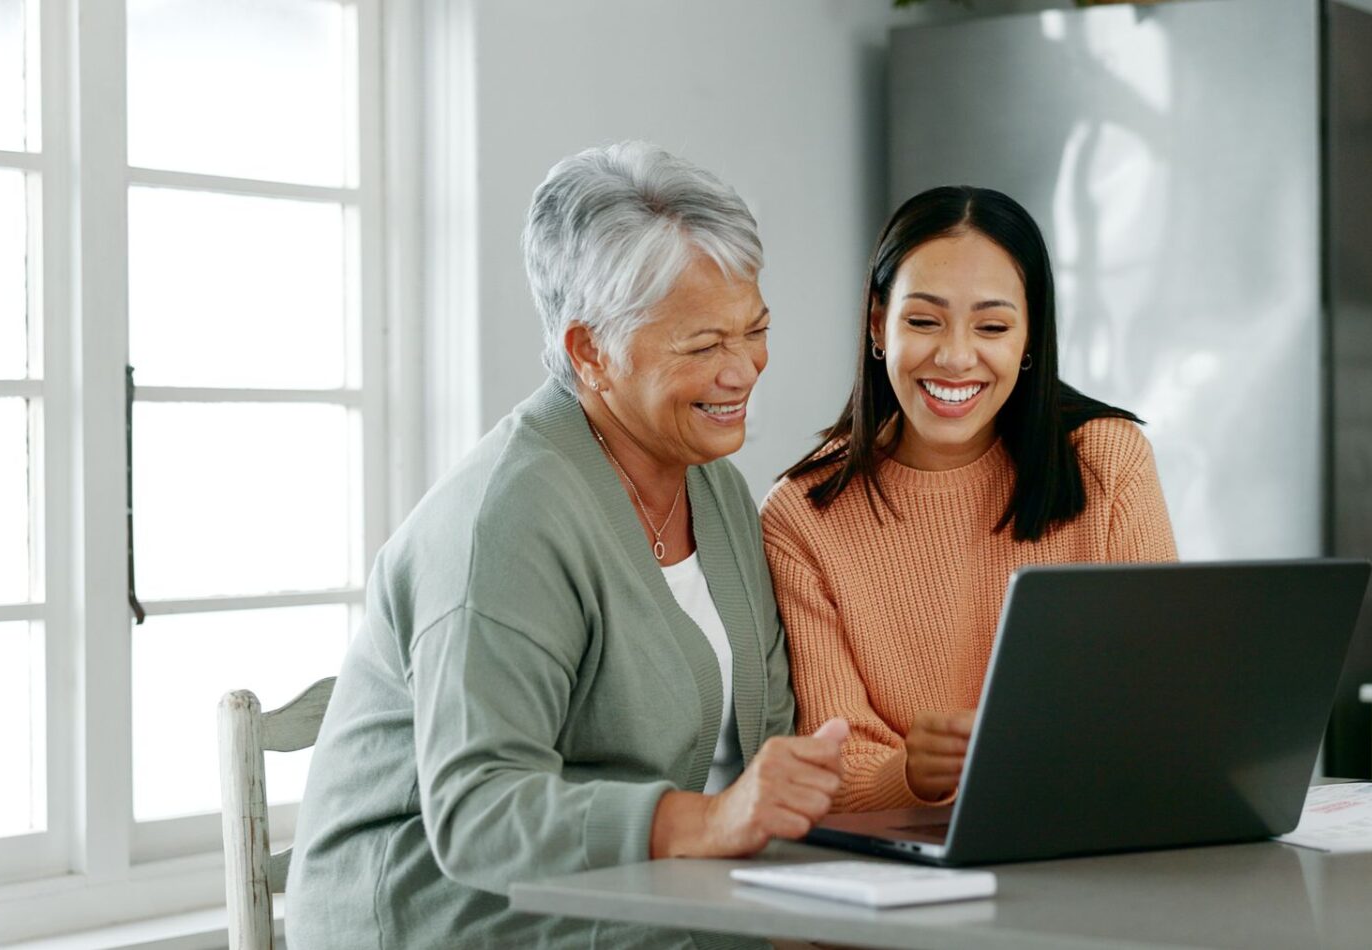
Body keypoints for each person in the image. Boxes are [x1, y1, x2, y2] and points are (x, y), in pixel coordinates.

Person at [286, 141, 847, 949]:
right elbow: (481, 812)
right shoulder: (505, 519)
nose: (744, 369)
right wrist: (708, 820)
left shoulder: (714, 486)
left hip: (634, 911)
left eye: (754, 329)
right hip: (447, 924)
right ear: (590, 353)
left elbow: (763, 743)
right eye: (701, 346)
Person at [761, 186, 1176, 813]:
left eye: (993, 326)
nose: (956, 357)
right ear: (878, 324)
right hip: (912, 869)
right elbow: (836, 766)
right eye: (923, 321)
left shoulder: (1107, 462)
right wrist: (911, 773)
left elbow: (1165, 703)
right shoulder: (802, 516)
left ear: (1031, 335)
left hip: (1099, 837)